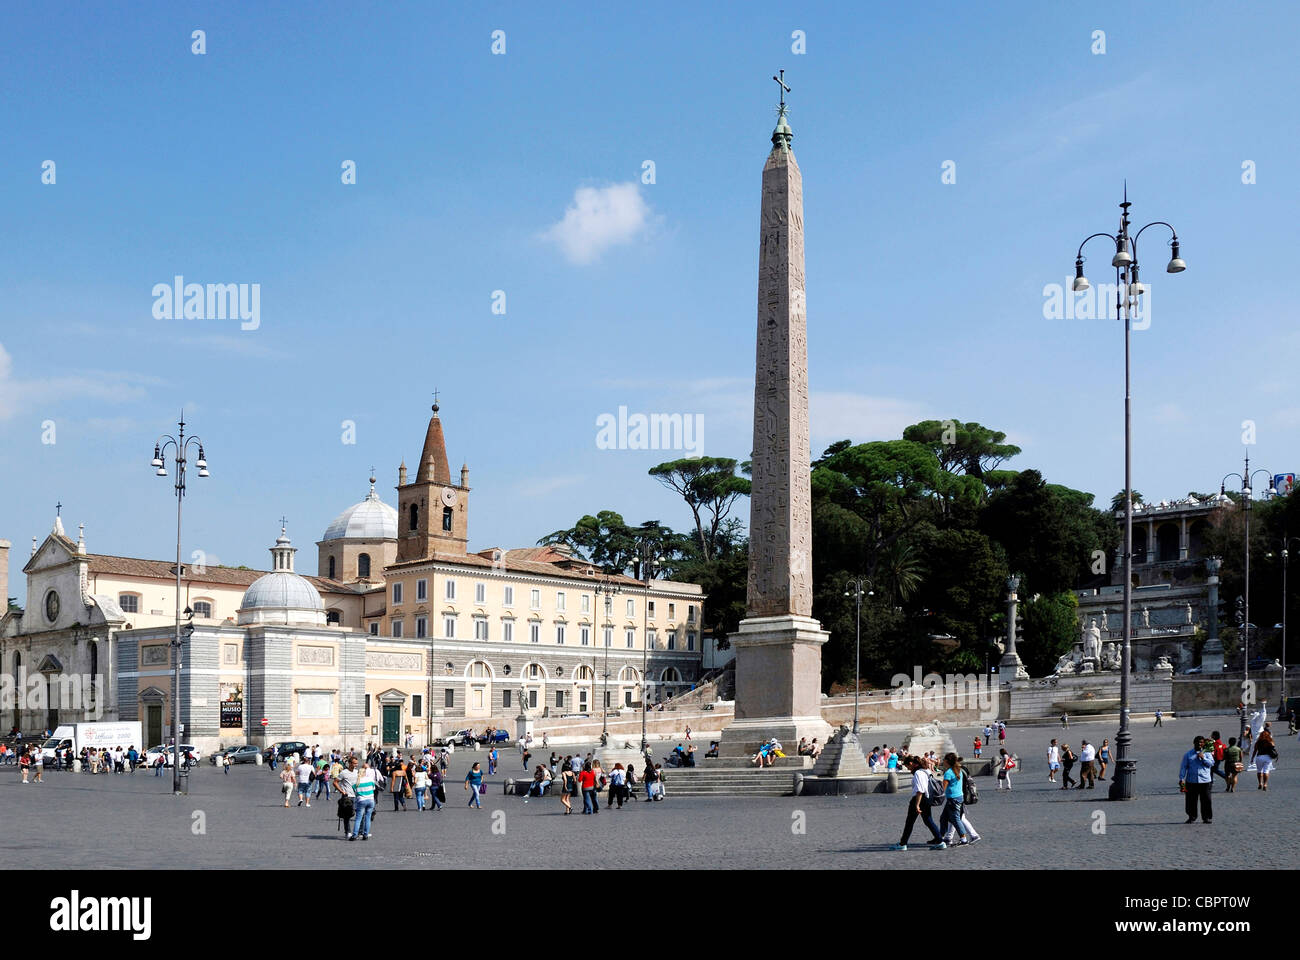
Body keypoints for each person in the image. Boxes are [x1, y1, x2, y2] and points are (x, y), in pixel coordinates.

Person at [892, 755, 943, 851]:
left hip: (920, 799)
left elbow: (920, 790)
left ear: (911, 764)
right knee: (928, 820)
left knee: (909, 822)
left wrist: (917, 804)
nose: (908, 769)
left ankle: (903, 844)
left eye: (907, 767)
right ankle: (940, 841)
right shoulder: (926, 770)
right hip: (928, 798)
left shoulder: (918, 773)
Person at [1178, 736, 1213, 824]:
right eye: (1197, 742)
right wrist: (1182, 778)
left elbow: (1211, 764)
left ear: (1203, 743)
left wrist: (1203, 757)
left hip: (1205, 780)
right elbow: (1183, 767)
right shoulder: (1188, 754)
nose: (1199, 744)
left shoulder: (1207, 753)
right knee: (1191, 800)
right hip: (1191, 781)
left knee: (1206, 800)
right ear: (1194, 743)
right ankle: (1192, 816)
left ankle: (1206, 817)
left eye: (1201, 742)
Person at [938, 754, 970, 845]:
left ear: (947, 761)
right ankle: (941, 837)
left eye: (944, 759)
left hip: (953, 799)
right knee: (943, 818)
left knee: (956, 819)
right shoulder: (958, 770)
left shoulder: (948, 772)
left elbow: (943, 788)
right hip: (958, 797)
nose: (942, 761)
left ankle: (963, 839)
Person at [350, 759, 378, 840]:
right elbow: (373, 788)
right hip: (370, 800)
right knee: (368, 818)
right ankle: (365, 834)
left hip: (361, 800)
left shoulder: (356, 782)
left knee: (358, 818)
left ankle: (355, 835)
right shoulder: (370, 780)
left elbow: (355, 792)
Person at [1252, 723, 1278, 790]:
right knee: (1266, 771)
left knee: (1259, 771)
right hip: (1267, 757)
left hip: (1259, 757)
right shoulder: (1269, 741)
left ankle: (1260, 783)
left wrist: (1252, 759)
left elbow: (1255, 751)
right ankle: (1265, 784)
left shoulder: (1258, 742)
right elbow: (1273, 746)